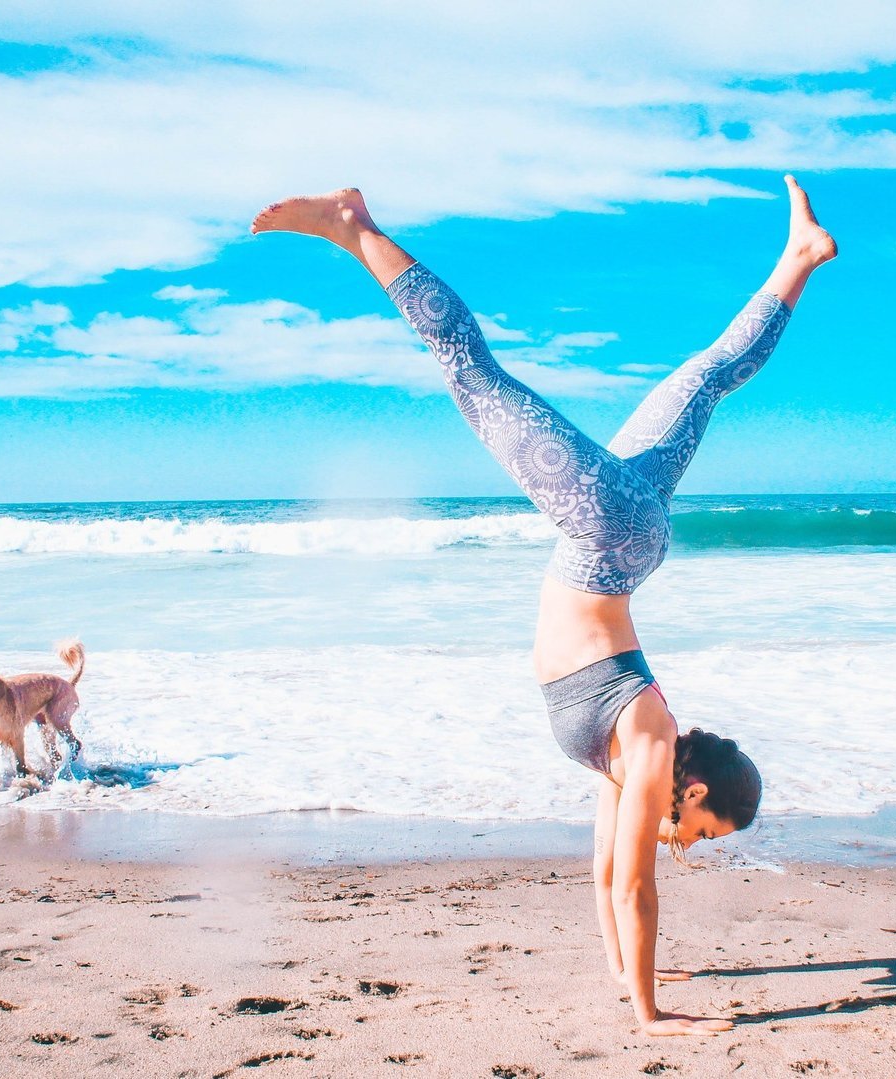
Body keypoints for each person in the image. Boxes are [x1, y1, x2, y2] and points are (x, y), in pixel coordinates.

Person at [250, 177, 836, 1035]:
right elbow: (636, 881)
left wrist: (623, 971)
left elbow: (605, 877)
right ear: (697, 789)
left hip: (622, 534)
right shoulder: (649, 749)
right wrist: (651, 1014)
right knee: (475, 377)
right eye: (705, 832)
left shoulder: (631, 760)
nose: (694, 843)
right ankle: (356, 228)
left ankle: (798, 260)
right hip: (610, 534)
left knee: (706, 378)